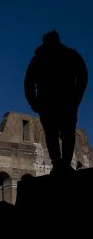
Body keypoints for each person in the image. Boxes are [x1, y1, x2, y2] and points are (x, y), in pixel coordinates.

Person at [24, 30, 88, 174]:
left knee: (62, 132)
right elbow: (28, 83)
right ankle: (60, 163)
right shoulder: (67, 55)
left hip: (61, 100)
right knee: (59, 132)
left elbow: (82, 76)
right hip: (57, 101)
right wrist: (33, 101)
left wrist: (77, 95)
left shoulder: (44, 58)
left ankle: (62, 163)